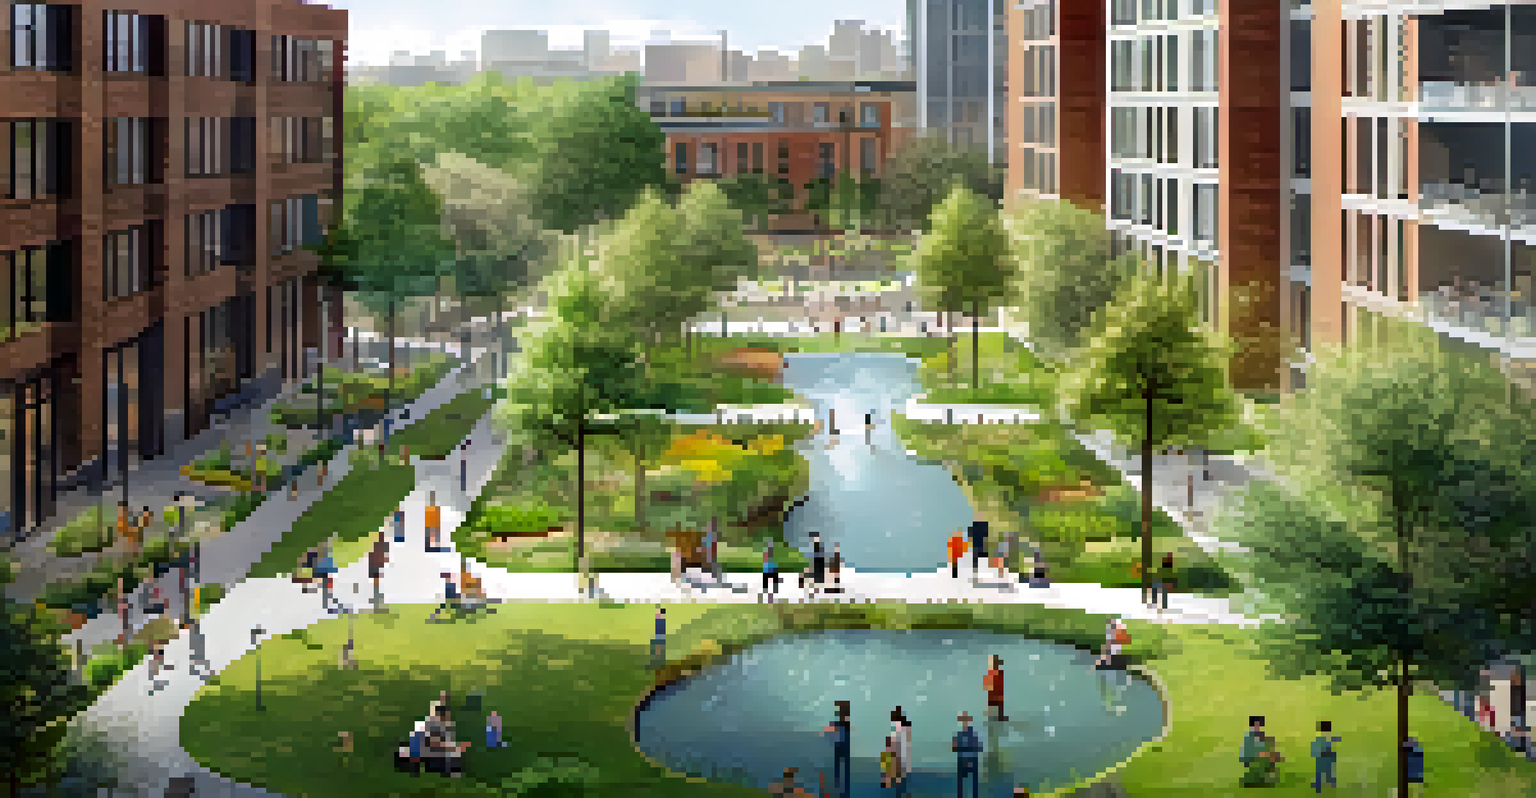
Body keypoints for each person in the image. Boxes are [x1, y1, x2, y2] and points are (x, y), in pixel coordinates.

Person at [1239, 715, 1282, 787]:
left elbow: (1263, 747)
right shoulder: (1250, 737)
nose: (1258, 727)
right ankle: (1257, 776)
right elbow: (1251, 752)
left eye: (1259, 725)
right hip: (1251, 758)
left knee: (1272, 755)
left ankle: (1262, 775)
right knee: (1269, 757)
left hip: (1257, 756)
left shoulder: (1259, 735)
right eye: (1256, 725)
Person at [824, 700, 852, 798]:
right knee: (841, 771)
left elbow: (831, 736)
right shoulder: (840, 724)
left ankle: (840, 791)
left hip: (841, 748)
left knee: (841, 771)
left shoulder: (841, 724)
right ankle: (840, 790)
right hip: (840, 748)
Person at [952, 711, 983, 798]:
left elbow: (978, 747)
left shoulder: (972, 735)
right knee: (962, 785)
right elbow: (955, 748)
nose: (964, 723)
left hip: (970, 760)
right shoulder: (960, 735)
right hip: (964, 760)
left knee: (972, 785)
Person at [1310, 720, 1340, 792]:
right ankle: (1329, 783)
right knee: (1327, 771)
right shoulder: (1326, 738)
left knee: (1322, 772)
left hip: (1322, 757)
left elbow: (1315, 747)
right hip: (1326, 756)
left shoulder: (1321, 738)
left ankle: (1320, 784)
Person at [891, 707, 913, 790]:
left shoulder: (898, 728)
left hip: (899, 761)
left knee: (899, 785)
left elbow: (895, 745)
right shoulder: (906, 728)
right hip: (904, 761)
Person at [985, 654, 1007, 721]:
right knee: (994, 709)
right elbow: (988, 687)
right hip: (994, 696)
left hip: (997, 696)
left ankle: (998, 717)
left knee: (998, 708)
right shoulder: (991, 674)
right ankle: (995, 717)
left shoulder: (999, 673)